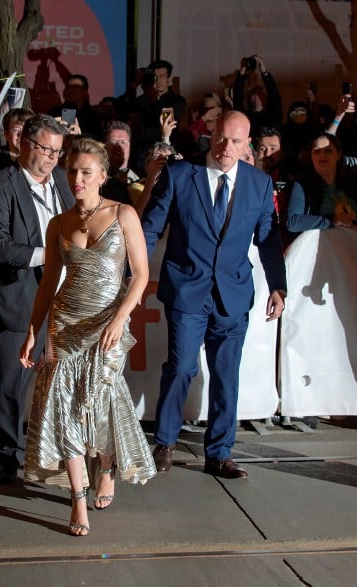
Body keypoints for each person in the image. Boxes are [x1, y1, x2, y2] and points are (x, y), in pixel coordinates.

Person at [19, 137, 156, 537]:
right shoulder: (58, 223)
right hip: (66, 322)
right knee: (63, 405)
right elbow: (47, 283)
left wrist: (120, 318)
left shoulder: (123, 214)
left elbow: (141, 275)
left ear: (102, 175)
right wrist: (33, 331)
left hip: (107, 321)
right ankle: (78, 498)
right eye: (72, 170)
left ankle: (107, 466)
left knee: (102, 400)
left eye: (85, 172)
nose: (77, 178)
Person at [142, 110, 287, 479]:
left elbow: (268, 239)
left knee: (227, 375)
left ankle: (219, 453)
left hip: (233, 295)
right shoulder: (179, 175)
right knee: (181, 367)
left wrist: (278, 285)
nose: (226, 147)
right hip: (187, 290)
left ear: (247, 144)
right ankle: (166, 443)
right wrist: (134, 274)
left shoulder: (259, 184)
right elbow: (150, 228)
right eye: (221, 138)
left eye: (236, 141)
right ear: (211, 135)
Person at [0, 114, 75, 484]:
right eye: (46, 149)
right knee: (12, 385)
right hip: (16, 298)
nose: (51, 158)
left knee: (61, 384)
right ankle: (8, 459)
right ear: (25, 144)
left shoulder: (63, 182)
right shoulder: (1, 182)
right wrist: (46, 254)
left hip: (63, 298)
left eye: (57, 152)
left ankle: (56, 454)